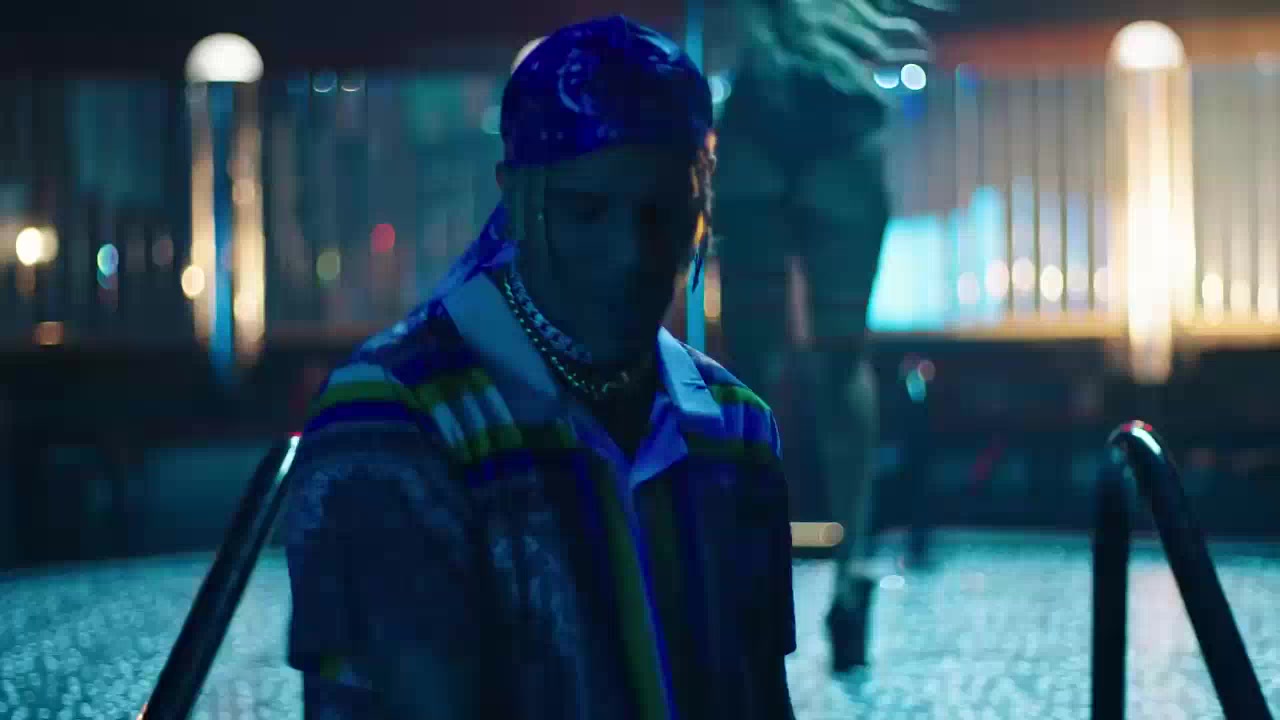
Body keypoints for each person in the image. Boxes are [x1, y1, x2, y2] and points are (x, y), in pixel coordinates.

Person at [284, 16, 797, 720]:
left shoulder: (736, 427)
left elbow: (761, 694)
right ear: (518, 199)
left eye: (660, 214)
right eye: (588, 211)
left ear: (700, 210)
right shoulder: (391, 417)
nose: (630, 254)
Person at [713, 0, 933, 671]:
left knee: (807, 361)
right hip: (796, 126)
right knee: (772, 365)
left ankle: (835, 570)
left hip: (813, 127)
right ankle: (824, 570)